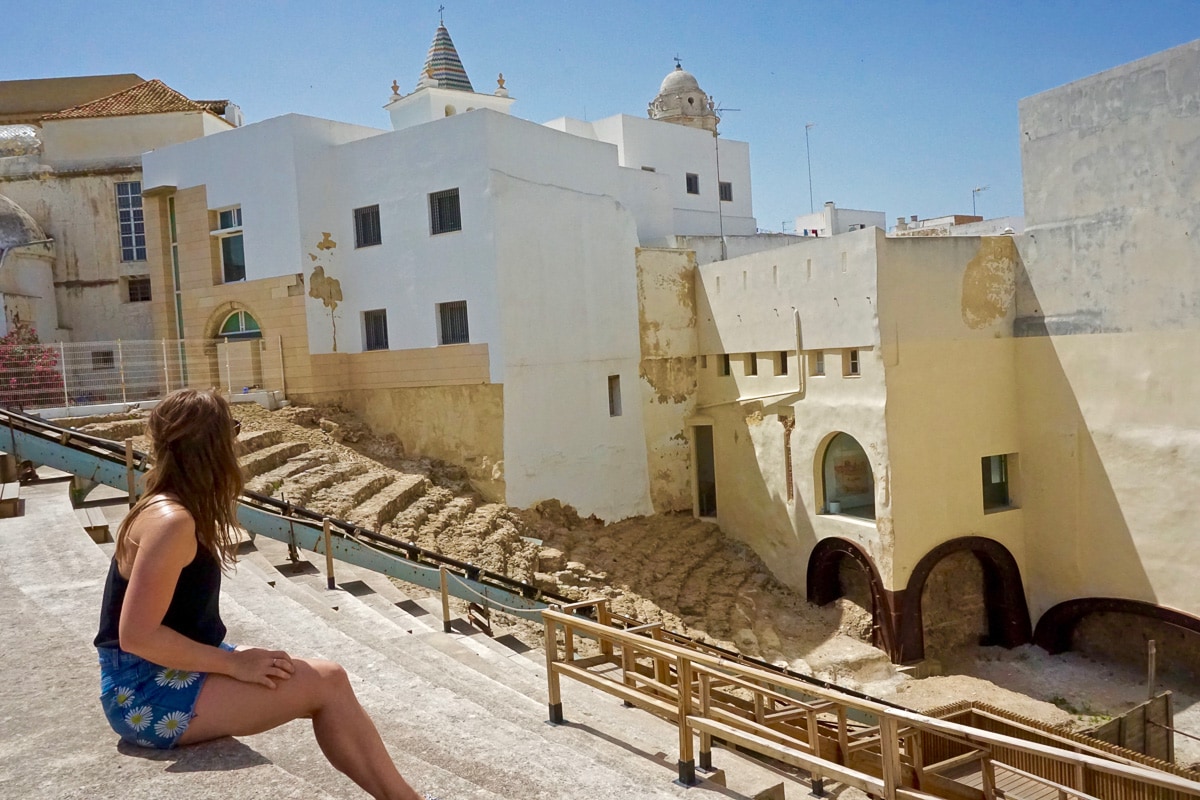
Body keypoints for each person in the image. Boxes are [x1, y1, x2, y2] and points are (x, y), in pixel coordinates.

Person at [94, 389, 430, 800]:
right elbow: (137, 636)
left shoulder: (169, 508)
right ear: (214, 447)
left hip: (162, 674)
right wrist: (232, 664)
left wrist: (234, 659)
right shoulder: (171, 522)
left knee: (323, 677)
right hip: (144, 695)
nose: (237, 443)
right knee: (326, 682)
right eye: (232, 431)